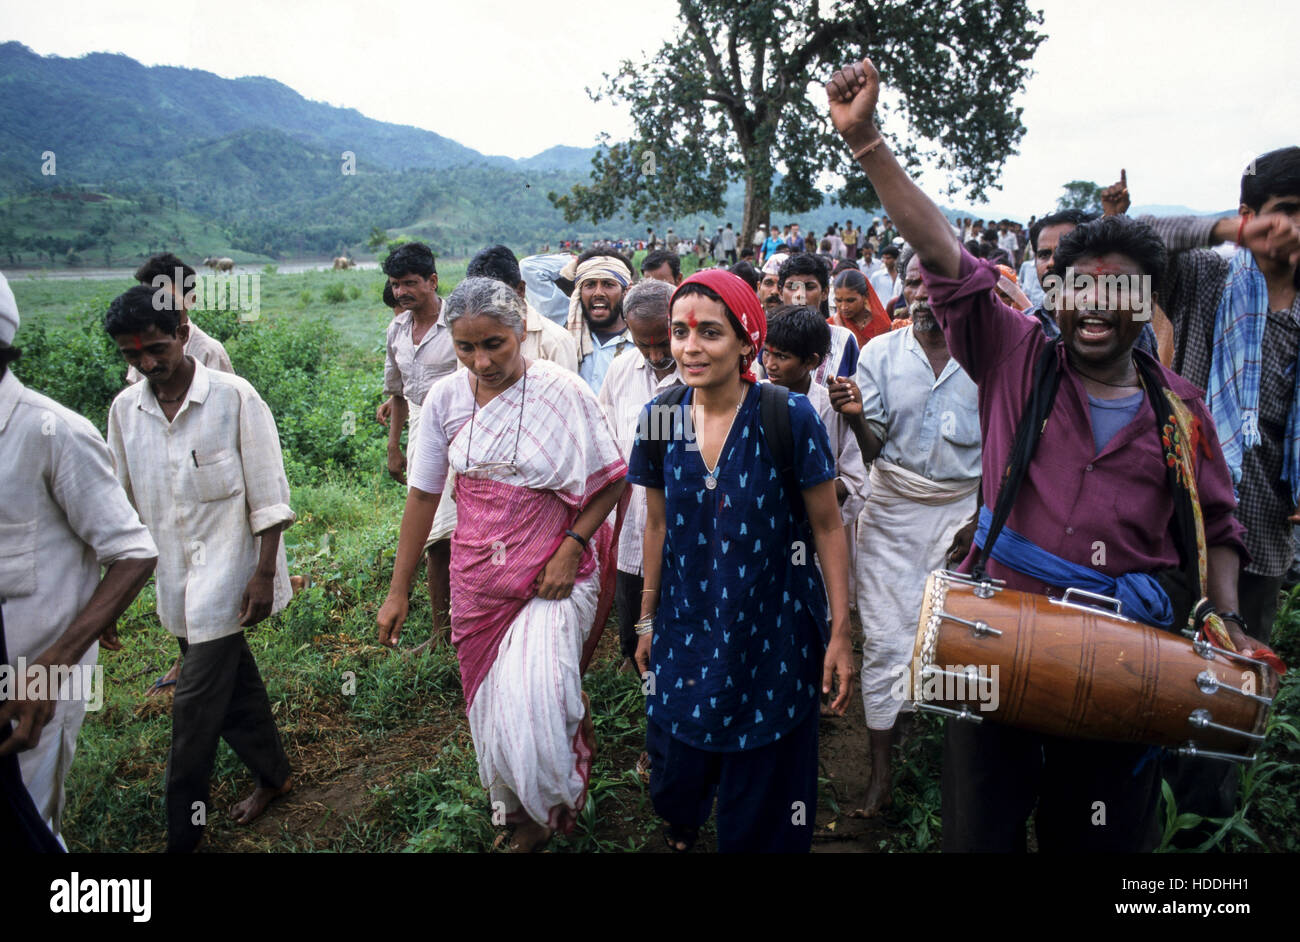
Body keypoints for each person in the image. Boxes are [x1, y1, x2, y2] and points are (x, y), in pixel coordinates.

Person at [826, 56, 1272, 852]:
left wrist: (1225, 619)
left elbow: (1219, 526)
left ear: (1148, 303)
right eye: (1078, 286)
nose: (1096, 305)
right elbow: (943, 255)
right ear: (1055, 295)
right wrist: (867, 144)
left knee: (1096, 836)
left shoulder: (1181, 408)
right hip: (990, 639)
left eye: (1122, 289)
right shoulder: (1014, 356)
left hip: (1128, 665)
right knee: (979, 834)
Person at [377, 277, 627, 852]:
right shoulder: (444, 398)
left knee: (541, 696)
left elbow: (611, 480)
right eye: (466, 348)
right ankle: (515, 811)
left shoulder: (562, 391)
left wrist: (571, 547)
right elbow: (422, 496)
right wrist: (400, 591)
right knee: (492, 704)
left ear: (522, 333)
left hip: (553, 574)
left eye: (495, 344)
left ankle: (547, 811)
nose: (481, 361)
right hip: (476, 577)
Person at [627, 269, 854, 853]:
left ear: (747, 339)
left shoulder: (788, 416)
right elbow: (656, 524)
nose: (689, 348)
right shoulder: (662, 415)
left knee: (766, 781)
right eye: (680, 332)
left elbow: (828, 527)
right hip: (686, 623)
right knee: (678, 755)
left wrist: (839, 634)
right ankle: (684, 822)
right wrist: (648, 617)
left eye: (710, 333)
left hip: (774, 629)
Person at [105, 285, 296, 853]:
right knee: (235, 688)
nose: (146, 363)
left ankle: (183, 834)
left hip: (231, 579)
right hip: (175, 582)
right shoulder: (126, 411)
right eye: (131, 355)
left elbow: (269, 494)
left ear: (184, 334)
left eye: (157, 349)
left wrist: (263, 574)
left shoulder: (234, 398)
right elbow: (120, 507)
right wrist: (108, 601)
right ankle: (275, 775)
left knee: (192, 710)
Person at [0, 275, 157, 847]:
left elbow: (133, 550)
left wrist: (50, 667)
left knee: (27, 824)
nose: (143, 361)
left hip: (29, 684)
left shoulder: (52, 433)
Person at [828, 250, 982, 818]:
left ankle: (948, 770)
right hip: (892, 510)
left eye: (934, 284)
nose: (921, 294)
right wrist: (854, 417)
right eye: (914, 283)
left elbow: (1003, 449)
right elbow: (872, 454)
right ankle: (882, 777)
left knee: (954, 642)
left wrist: (978, 522)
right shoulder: (880, 354)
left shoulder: (985, 357)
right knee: (890, 640)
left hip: (961, 514)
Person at [1127, 150, 1300, 643]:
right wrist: (1226, 232)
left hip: (1265, 520)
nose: (1294, 226)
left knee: (1243, 670)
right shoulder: (1209, 277)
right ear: (1249, 216)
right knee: (1159, 655)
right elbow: (1139, 237)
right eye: (1285, 209)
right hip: (1178, 504)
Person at [598, 280, 683, 676]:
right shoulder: (620, 371)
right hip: (634, 522)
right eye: (642, 343)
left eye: (663, 341)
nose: (655, 353)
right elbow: (606, 440)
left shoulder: (704, 371)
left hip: (689, 518)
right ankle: (645, 688)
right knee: (635, 618)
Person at [378, 243, 459, 644]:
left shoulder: (458, 323)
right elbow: (397, 393)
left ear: (432, 281)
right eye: (396, 285)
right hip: (420, 440)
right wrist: (394, 446)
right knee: (433, 539)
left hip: (460, 441)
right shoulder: (396, 330)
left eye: (410, 283)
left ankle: (468, 626)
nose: (402, 292)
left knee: (462, 535)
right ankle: (441, 632)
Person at [763, 305, 868, 615]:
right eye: (767, 353)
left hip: (812, 531)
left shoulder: (831, 407)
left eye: (782, 356)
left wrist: (803, 490)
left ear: (811, 361)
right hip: (765, 528)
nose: (771, 364)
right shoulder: (754, 399)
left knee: (811, 603)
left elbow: (854, 481)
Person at [126, 254, 233, 385]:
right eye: (149, 300)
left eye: (167, 300)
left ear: (191, 300)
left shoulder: (208, 352)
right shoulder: (142, 348)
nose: (157, 308)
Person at [776, 253, 860, 383]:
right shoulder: (766, 341)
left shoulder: (844, 340)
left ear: (825, 292)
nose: (800, 295)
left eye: (809, 287)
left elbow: (855, 393)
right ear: (780, 292)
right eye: (792, 287)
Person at [566, 253, 635, 393]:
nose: (598, 293)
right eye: (590, 285)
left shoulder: (640, 346)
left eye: (608, 285)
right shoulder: (569, 339)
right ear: (579, 293)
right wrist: (574, 260)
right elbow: (530, 268)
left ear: (626, 292)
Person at [831, 268, 891, 349]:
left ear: (865, 296)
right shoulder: (831, 326)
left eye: (850, 300)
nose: (843, 307)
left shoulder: (880, 324)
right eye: (838, 300)